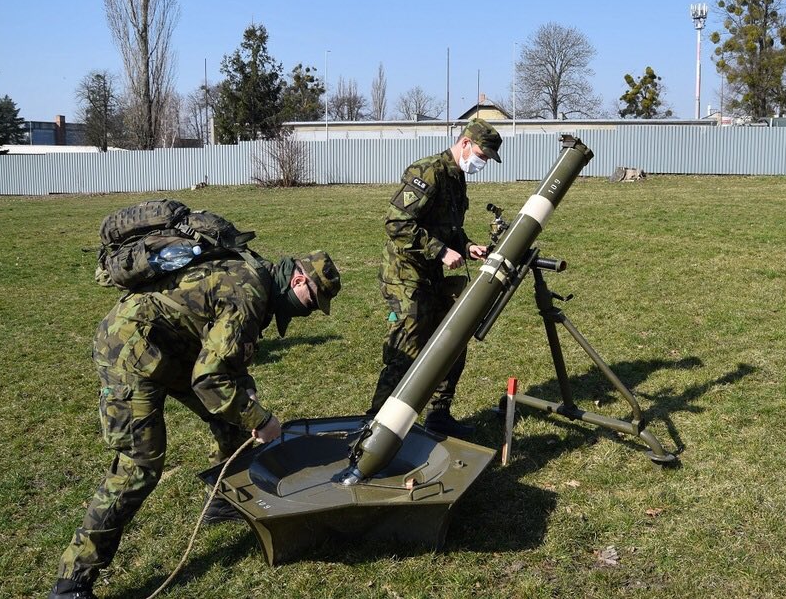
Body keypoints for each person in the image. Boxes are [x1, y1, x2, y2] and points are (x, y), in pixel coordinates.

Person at [47, 250, 341, 599]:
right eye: (313, 298)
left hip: (170, 349)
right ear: (297, 280)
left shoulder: (255, 278)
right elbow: (209, 380)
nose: (309, 310)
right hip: (128, 351)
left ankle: (219, 503)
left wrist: (244, 389)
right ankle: (72, 582)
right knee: (139, 466)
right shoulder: (249, 292)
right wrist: (260, 419)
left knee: (231, 426)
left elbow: (221, 348)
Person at [366, 118, 502, 437]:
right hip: (405, 275)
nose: (481, 163)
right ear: (465, 143)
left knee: (452, 340)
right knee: (407, 346)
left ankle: (439, 414)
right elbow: (397, 224)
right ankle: (373, 426)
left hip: (432, 274)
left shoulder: (457, 180)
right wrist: (441, 251)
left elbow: (450, 227)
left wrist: (467, 246)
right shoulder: (428, 171)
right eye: (481, 155)